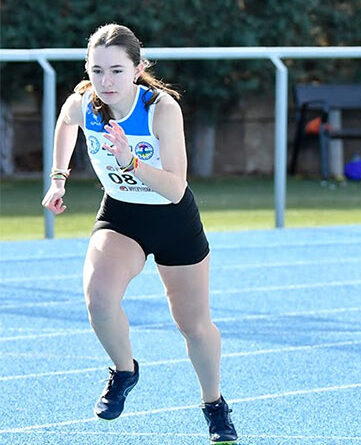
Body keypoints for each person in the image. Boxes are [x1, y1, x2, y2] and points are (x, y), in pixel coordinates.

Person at [41, 24, 237, 444]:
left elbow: (176, 188)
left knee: (193, 325)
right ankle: (124, 369)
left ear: (137, 68)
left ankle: (214, 403)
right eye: (96, 71)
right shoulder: (84, 103)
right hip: (121, 216)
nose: (106, 81)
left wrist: (130, 162)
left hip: (173, 221)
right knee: (98, 299)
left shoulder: (160, 108)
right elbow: (65, 122)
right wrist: (58, 178)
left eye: (116, 70)